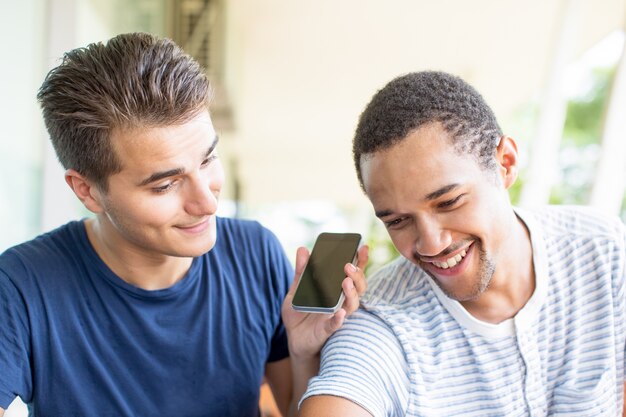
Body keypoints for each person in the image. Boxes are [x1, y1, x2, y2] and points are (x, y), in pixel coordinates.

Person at [0, 32, 368, 417]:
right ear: (87, 191)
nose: (207, 202)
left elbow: (293, 409)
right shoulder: (21, 286)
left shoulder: (255, 253)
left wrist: (302, 352)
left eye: (208, 160)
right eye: (165, 185)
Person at [299, 71, 626, 416]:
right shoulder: (381, 321)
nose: (431, 244)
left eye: (448, 202)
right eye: (397, 221)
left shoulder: (602, 251)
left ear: (505, 165)